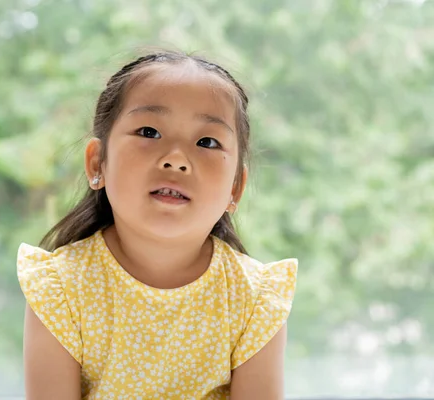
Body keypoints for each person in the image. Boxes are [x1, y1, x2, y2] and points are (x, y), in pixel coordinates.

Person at [17, 50, 298, 399]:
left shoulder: (255, 300)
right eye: (149, 132)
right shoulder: (59, 289)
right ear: (97, 164)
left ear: (235, 187)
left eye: (207, 142)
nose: (176, 159)